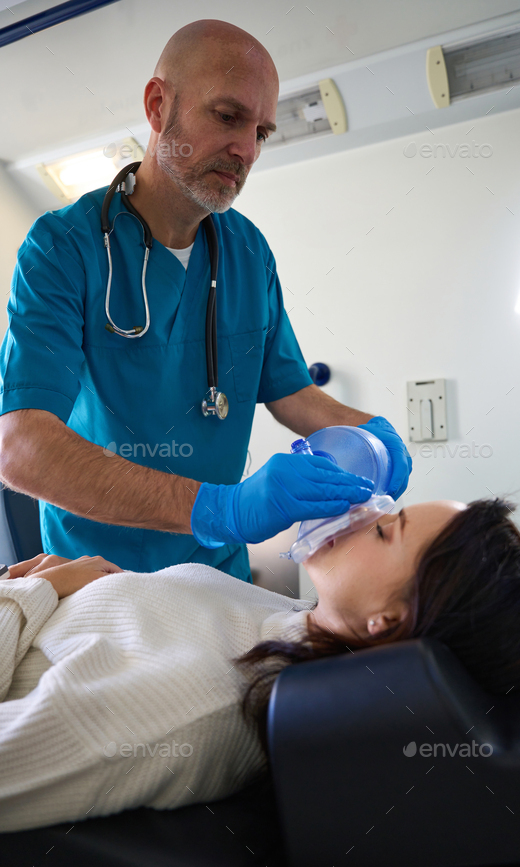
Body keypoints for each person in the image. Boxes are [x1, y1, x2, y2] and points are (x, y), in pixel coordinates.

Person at [0, 18, 411, 581]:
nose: (245, 149)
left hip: (220, 576)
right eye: (227, 117)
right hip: (96, 583)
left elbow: (292, 394)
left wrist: (372, 432)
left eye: (261, 132)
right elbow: (22, 448)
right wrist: (221, 509)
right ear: (157, 104)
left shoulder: (248, 252)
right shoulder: (63, 248)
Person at [1, 495, 520, 832]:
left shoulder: (180, 709)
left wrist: (32, 595)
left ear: (385, 620)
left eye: (385, 531)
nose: (361, 511)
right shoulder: (288, 621)